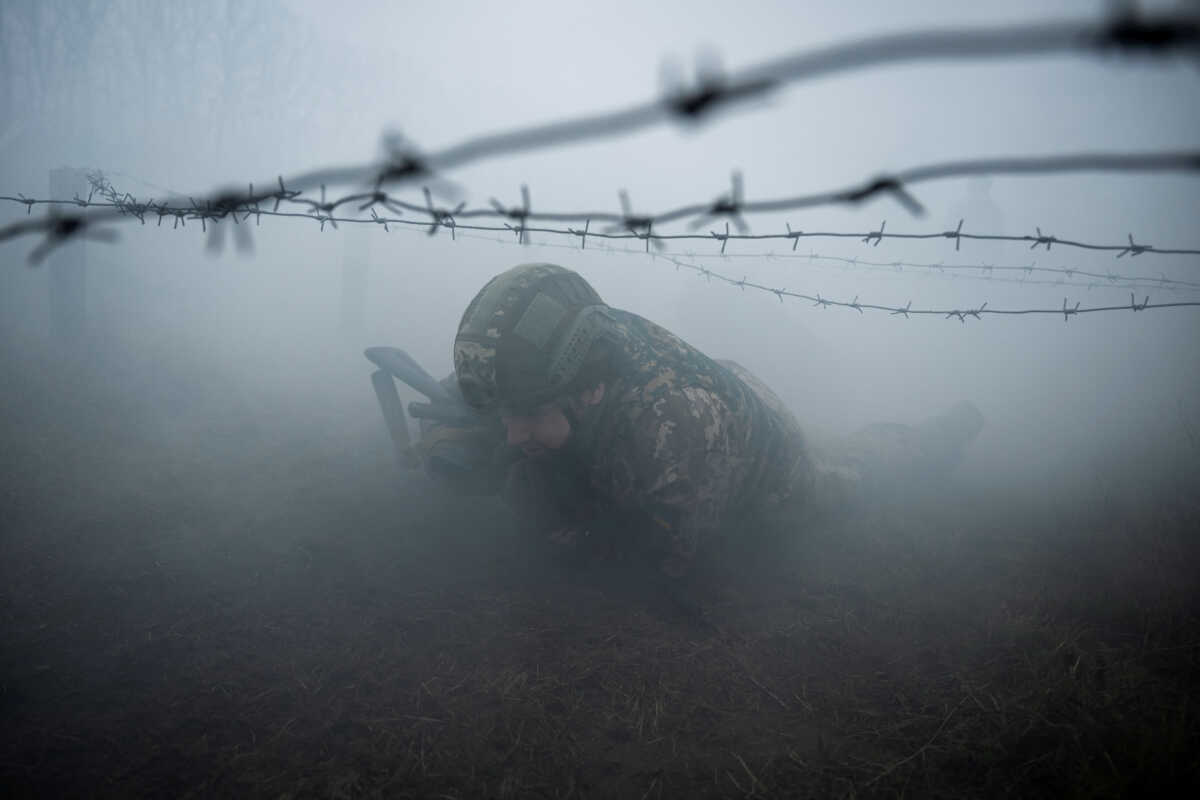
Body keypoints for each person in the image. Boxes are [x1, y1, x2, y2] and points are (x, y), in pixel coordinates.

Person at [421, 262, 982, 579]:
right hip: (729, 399)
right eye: (509, 417)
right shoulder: (552, 361)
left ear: (588, 391)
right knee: (838, 439)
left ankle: (941, 439)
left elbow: (653, 553)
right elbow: (482, 392)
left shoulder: (672, 436)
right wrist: (453, 437)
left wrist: (553, 516)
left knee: (855, 470)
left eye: (530, 418)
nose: (514, 434)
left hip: (767, 466)